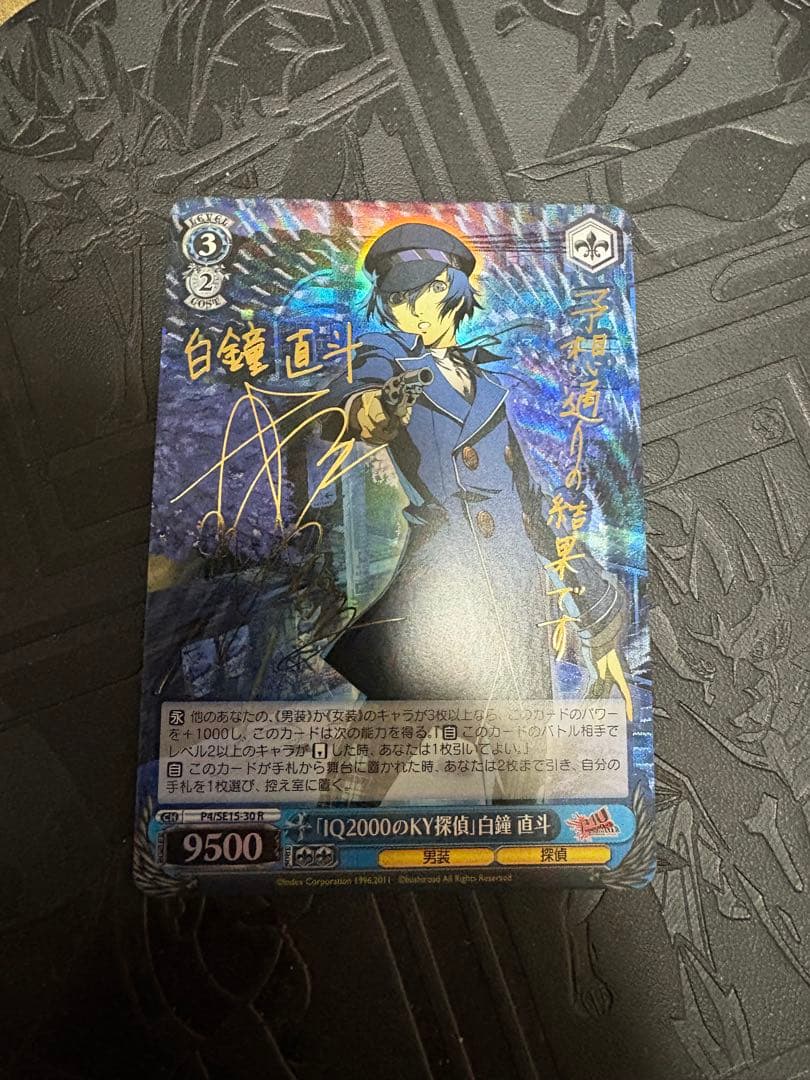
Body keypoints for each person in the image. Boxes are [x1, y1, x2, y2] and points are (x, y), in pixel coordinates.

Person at [323, 221, 631, 719]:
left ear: (452, 287)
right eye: (397, 299)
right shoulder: (389, 358)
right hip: (440, 590)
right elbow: (359, 398)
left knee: (521, 751)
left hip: (517, 592)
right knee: (383, 745)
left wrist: (598, 615)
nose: (411, 310)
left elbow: (533, 503)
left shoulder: (487, 387)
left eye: (425, 291)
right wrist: (372, 410)